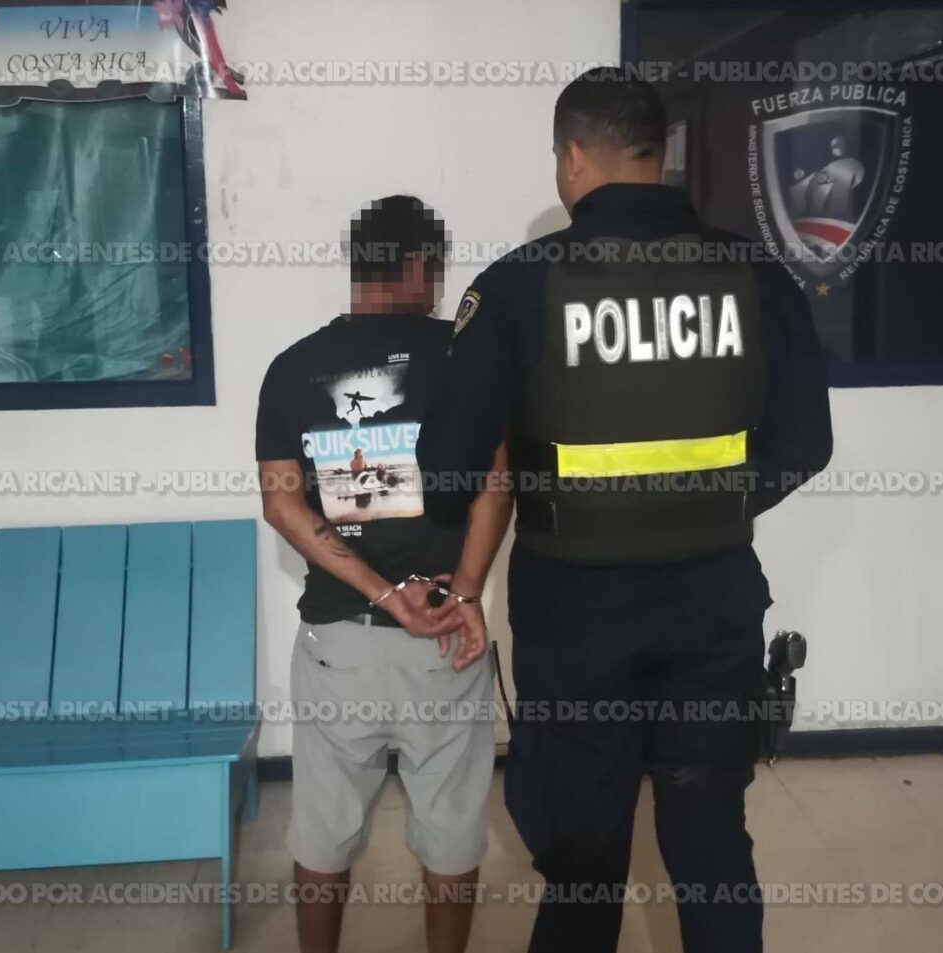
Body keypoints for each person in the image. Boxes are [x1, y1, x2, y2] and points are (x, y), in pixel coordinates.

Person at [417, 69, 834, 953]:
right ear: (659, 153)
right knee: (712, 843)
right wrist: (708, 506)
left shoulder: (519, 287)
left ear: (572, 157)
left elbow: (447, 475)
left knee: (582, 859)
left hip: (575, 620)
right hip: (713, 605)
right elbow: (806, 442)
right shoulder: (757, 274)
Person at [256, 195, 496, 953]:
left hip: (339, 640)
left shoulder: (292, 367)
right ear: (420, 266)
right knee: (452, 828)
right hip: (445, 635)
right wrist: (463, 592)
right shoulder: (467, 356)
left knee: (322, 829)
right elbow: (498, 481)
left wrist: (383, 595)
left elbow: (281, 503)